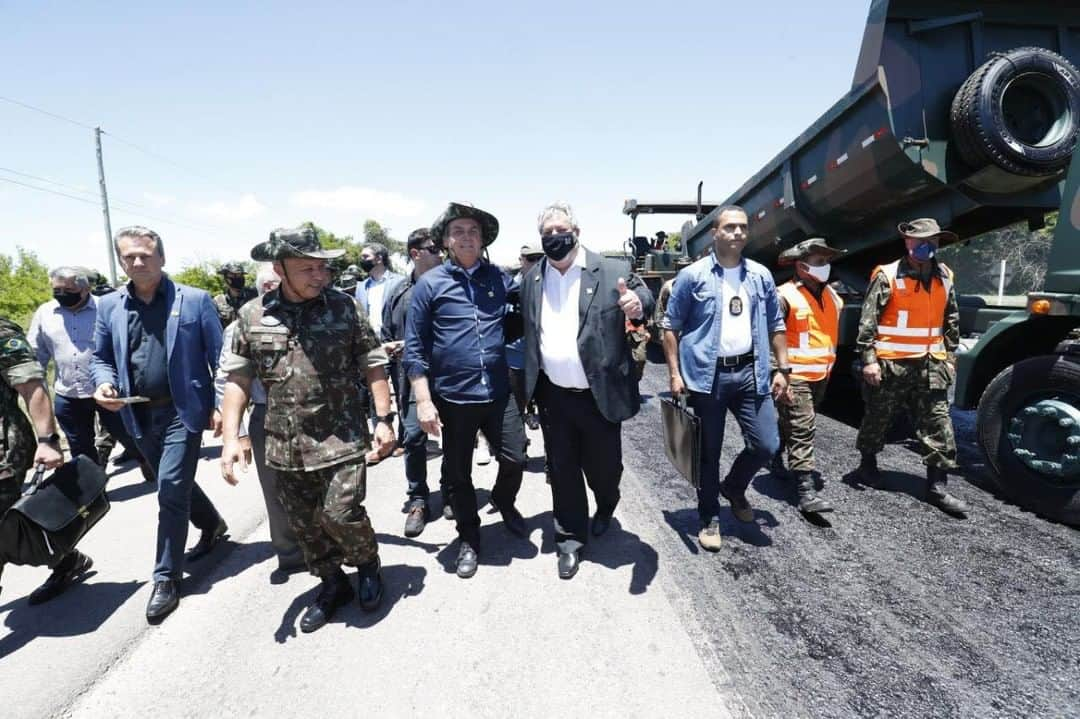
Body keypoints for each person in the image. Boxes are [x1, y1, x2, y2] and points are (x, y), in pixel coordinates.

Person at [220, 227, 395, 633]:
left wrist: (383, 419)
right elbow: (238, 379)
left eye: (323, 267)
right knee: (305, 524)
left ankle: (367, 564)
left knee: (340, 512)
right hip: (284, 443)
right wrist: (232, 436)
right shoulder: (251, 315)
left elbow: (372, 364)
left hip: (342, 433)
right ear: (279, 269)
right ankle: (332, 583)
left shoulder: (345, 308)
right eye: (308, 268)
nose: (320, 276)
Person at [91, 225, 228, 624]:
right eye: (128, 257)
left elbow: (221, 360)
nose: (137, 262)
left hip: (181, 412)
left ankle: (166, 577)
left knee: (169, 488)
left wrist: (222, 408)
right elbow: (101, 356)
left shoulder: (195, 301)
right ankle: (212, 524)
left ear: (162, 257)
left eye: (144, 255)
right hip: (134, 414)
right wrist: (103, 382)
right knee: (173, 481)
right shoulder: (109, 306)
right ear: (120, 261)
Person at [521, 202, 654, 579]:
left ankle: (607, 502)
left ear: (575, 232)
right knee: (562, 471)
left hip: (599, 397)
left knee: (604, 470)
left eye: (560, 230)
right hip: (554, 397)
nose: (553, 238)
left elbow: (643, 299)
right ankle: (569, 540)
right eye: (546, 234)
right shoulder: (531, 280)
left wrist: (635, 304)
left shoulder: (612, 270)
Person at [404, 202, 527, 579]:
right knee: (458, 476)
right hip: (453, 399)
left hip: (498, 393)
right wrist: (423, 401)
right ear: (446, 241)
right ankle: (469, 539)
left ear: (483, 238)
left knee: (516, 456)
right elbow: (415, 348)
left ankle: (504, 501)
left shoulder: (500, 279)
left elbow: (534, 302)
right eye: (458, 231)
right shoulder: (430, 285)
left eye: (474, 231)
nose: (467, 237)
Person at [662, 206, 790, 552]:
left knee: (767, 444)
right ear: (714, 234)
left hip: (751, 373)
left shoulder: (761, 276)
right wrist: (675, 374)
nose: (737, 233)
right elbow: (670, 327)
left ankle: (733, 487)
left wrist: (783, 368)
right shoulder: (693, 276)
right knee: (709, 452)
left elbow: (776, 324)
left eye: (743, 227)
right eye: (729, 227)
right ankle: (709, 516)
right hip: (708, 377)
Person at [854, 218, 969, 517]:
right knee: (878, 417)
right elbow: (868, 322)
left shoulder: (945, 275)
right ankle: (868, 465)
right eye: (920, 241)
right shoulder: (887, 275)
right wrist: (869, 361)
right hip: (892, 364)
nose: (926, 246)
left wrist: (951, 355)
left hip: (931, 364)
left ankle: (937, 487)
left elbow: (952, 317)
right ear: (907, 242)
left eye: (933, 240)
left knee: (939, 422)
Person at [214, 264, 304, 582]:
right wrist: (236, 434)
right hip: (266, 415)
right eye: (265, 285)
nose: (271, 290)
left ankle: (326, 545)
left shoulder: (307, 319)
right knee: (275, 489)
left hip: (311, 414)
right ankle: (291, 555)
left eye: (277, 285)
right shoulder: (240, 326)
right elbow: (227, 383)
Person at [27, 267, 145, 477]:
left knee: (129, 435)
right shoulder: (45, 313)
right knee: (80, 448)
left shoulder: (107, 308)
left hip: (109, 391)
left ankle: (147, 462)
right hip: (69, 392)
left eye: (68, 289)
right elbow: (37, 354)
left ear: (86, 288)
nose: (62, 294)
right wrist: (33, 384)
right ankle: (94, 492)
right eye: (57, 290)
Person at [0, 317, 78, 604]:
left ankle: (63, 557)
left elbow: (32, 385)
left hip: (5, 452)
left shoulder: (2, 331)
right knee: (12, 526)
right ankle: (65, 557)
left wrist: (47, 440)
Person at [381, 228, 451, 537]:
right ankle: (418, 499)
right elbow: (385, 336)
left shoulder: (452, 284)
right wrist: (394, 347)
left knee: (455, 439)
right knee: (412, 438)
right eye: (434, 248)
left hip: (449, 378)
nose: (441, 253)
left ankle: (451, 491)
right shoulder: (397, 292)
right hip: (412, 381)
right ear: (415, 253)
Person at [774, 239, 846, 514]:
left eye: (826, 261)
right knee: (804, 428)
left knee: (790, 422)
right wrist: (777, 374)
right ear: (801, 266)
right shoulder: (784, 297)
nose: (824, 266)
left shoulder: (832, 296)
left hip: (821, 376)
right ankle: (805, 491)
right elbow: (770, 338)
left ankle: (774, 454)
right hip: (795, 375)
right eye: (818, 261)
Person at [355, 244, 404, 463]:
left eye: (365, 256)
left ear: (379, 258)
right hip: (372, 345)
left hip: (395, 342)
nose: (361, 259)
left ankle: (404, 440)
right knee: (378, 394)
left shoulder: (398, 282)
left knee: (403, 391)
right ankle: (383, 441)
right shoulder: (361, 287)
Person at [508, 242, 544, 431]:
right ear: (522, 260)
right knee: (514, 410)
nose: (536, 263)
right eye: (531, 259)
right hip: (516, 361)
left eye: (540, 258)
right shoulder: (510, 286)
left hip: (544, 363)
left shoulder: (551, 285)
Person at [212, 261, 257, 329]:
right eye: (233, 275)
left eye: (239, 275)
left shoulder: (254, 296)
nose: (237, 278)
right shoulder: (218, 301)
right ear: (226, 279)